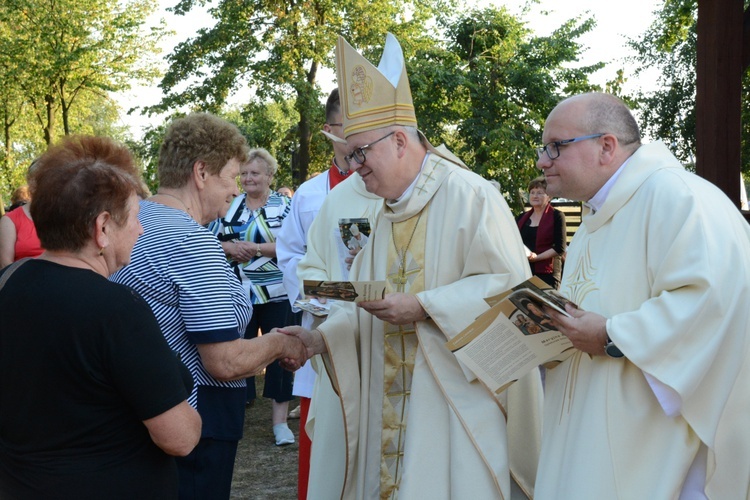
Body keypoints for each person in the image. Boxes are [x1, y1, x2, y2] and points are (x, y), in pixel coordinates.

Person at [281, 33, 542, 499]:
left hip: (452, 405)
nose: (353, 166)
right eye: (349, 154)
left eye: (360, 152)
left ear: (399, 140)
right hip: (376, 396)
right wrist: (323, 334)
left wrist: (425, 305)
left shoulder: (471, 195)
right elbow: (338, 292)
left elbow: (510, 289)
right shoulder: (370, 207)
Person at [534, 92, 750, 498]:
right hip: (587, 429)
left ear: (607, 146)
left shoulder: (679, 198)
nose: (543, 161)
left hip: (653, 447)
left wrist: (612, 336)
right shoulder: (598, 215)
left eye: (555, 147)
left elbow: (714, 302)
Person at [110, 113, 306, 500]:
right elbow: (224, 361)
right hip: (196, 419)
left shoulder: (136, 221)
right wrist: (284, 343)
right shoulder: (193, 243)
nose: (234, 190)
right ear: (201, 173)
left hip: (138, 414)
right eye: (230, 177)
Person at [0, 135, 202, 498]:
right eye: (135, 217)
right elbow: (180, 438)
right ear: (103, 227)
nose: (140, 230)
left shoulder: (7, 283)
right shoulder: (116, 308)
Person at [276, 87, 358, 499]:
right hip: (322, 323)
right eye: (349, 125)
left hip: (373, 326)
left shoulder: (392, 190)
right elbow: (289, 255)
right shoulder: (309, 194)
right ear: (329, 130)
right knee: (320, 441)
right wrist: (325, 295)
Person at [209, 148, 296, 446]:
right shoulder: (229, 207)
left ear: (270, 175)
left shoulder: (285, 205)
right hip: (238, 293)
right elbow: (209, 240)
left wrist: (257, 249)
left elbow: (295, 245)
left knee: (279, 354)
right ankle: (236, 414)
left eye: (255, 173)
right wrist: (230, 248)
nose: (248, 178)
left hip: (278, 292)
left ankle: (280, 424)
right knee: (236, 352)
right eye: (244, 173)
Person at [515, 176, 566, 288]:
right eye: (532, 192)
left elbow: (560, 248)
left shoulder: (557, 216)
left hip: (548, 273)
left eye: (539, 193)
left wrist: (537, 258)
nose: (535, 196)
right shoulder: (521, 218)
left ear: (549, 196)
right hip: (524, 271)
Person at [0, 167, 43, 268]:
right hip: (26, 279)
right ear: (30, 182)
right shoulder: (9, 220)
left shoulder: (65, 215)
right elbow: (5, 266)